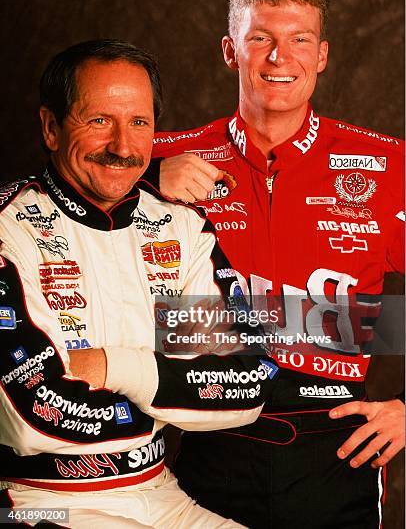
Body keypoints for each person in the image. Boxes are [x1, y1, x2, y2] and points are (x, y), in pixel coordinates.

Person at [149, 0, 405, 528]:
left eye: (299, 40)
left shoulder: (389, 166)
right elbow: (46, 217)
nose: (278, 57)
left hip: (335, 453)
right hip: (201, 446)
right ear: (229, 49)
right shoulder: (159, 153)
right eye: (259, 38)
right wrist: (140, 182)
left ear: (322, 55)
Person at [0, 39, 277, 528]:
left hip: (159, 491)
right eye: (99, 120)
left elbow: (250, 385)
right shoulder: (10, 226)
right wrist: (172, 397)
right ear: (51, 127)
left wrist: (115, 367)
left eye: (139, 123)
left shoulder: (181, 226)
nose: (124, 147)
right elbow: (30, 415)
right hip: (38, 498)